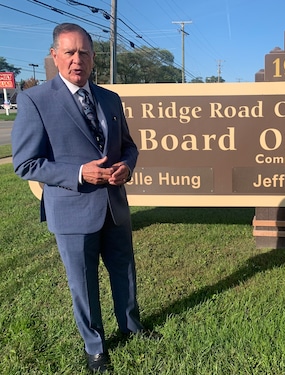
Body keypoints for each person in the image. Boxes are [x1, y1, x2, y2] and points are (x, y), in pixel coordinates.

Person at [12, 23, 159, 373]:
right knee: (84, 282)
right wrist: (80, 173)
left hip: (114, 206)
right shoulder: (35, 100)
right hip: (72, 210)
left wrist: (126, 165)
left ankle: (131, 326)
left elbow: (129, 146)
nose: (77, 60)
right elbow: (26, 163)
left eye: (84, 53)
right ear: (55, 56)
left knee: (124, 271)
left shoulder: (110, 98)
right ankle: (95, 347)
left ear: (93, 58)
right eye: (69, 52)